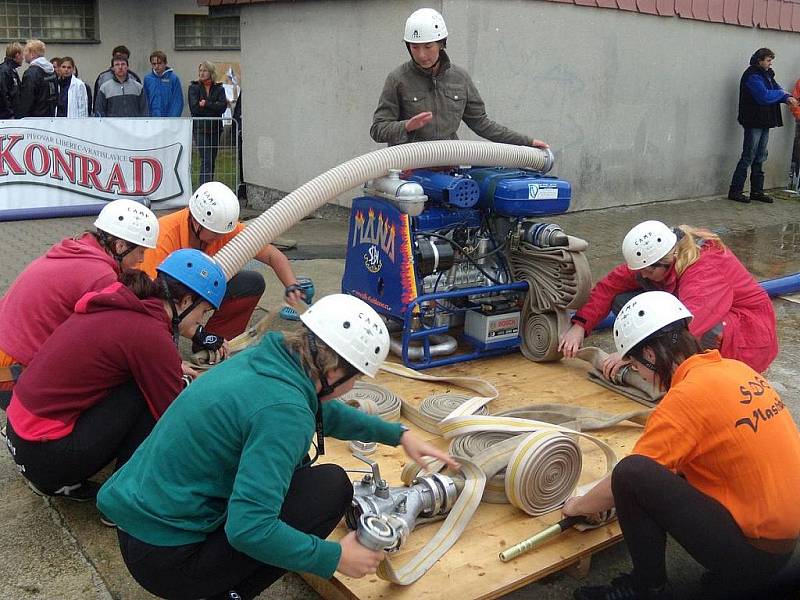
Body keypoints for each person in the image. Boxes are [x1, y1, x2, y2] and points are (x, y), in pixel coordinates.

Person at [97, 293, 459, 599]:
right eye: (357, 378)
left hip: (141, 528)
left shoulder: (268, 360)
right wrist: (332, 557)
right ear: (335, 373)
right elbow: (248, 528)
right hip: (168, 560)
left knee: (306, 475)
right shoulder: (284, 413)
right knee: (329, 489)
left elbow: (320, 412)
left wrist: (399, 435)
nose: (354, 387)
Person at [563, 291, 800, 599]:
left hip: (756, 556)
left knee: (632, 474)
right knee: (673, 466)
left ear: (649, 354)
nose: (642, 376)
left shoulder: (685, 398)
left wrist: (577, 506)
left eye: (635, 366)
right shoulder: (736, 369)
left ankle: (646, 588)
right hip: (785, 541)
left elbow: (633, 477)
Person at [4, 250, 226, 506]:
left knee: (137, 380)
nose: (201, 321)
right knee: (146, 395)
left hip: (20, 437)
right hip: (47, 457)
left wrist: (170, 367)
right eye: (204, 312)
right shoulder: (150, 334)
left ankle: (58, 479)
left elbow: (127, 345)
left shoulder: (117, 300)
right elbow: (175, 417)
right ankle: (122, 498)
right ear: (186, 301)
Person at [559, 220, 777, 374]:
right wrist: (580, 326)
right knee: (623, 301)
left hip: (748, 338)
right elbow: (609, 286)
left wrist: (631, 354)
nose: (642, 276)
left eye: (648, 271)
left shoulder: (704, 270)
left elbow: (688, 324)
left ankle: (704, 370)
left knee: (703, 334)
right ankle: (665, 362)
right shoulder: (659, 257)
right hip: (707, 317)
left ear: (668, 261)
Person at [0, 199, 159, 406]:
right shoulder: (101, 276)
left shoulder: (78, 247)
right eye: (140, 252)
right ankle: (24, 429)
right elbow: (114, 341)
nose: (141, 259)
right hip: (11, 374)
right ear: (120, 246)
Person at [140, 181, 303, 345]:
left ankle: (218, 343)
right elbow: (152, 299)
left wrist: (292, 286)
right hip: (169, 299)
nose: (219, 238)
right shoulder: (164, 236)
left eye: (222, 233)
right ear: (197, 222)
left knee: (251, 283)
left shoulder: (220, 227)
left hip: (196, 294)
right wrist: (195, 334)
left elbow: (272, 256)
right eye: (215, 234)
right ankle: (189, 339)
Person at [370, 8, 548, 148]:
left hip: (448, 165)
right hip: (409, 172)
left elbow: (482, 123)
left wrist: (527, 142)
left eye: (428, 46)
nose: (422, 55)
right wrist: (407, 126)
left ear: (441, 44)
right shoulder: (397, 79)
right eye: (415, 47)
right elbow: (378, 130)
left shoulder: (460, 78)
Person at [728, 48, 798, 204]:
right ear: (759, 60)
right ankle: (735, 190)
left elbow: (776, 89)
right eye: (768, 60)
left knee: (761, 155)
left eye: (771, 60)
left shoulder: (767, 75)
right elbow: (764, 96)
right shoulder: (753, 76)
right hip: (753, 121)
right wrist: (783, 96)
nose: (770, 63)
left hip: (764, 120)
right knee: (749, 155)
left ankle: (757, 191)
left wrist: (787, 97)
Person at [188, 61, 228, 184]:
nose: (201, 73)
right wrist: (213, 107)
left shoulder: (219, 88)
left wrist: (206, 103)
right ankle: (203, 187)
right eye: (200, 70)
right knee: (206, 158)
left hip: (215, 129)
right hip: (200, 129)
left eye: (204, 70)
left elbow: (222, 107)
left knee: (212, 158)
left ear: (211, 72)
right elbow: (194, 108)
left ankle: (209, 185)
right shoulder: (194, 87)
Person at [16, 39, 57, 118]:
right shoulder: (51, 71)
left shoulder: (31, 74)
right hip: (50, 117)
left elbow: (27, 101)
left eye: (26, 51)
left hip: (34, 120)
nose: (24, 54)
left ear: (32, 54)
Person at [143, 50, 183, 117]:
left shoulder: (173, 79)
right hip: (152, 120)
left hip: (169, 121)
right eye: (154, 64)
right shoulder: (147, 79)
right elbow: (145, 101)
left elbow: (177, 101)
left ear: (165, 63)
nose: (156, 66)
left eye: (159, 63)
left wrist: (172, 119)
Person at [0, 41, 22, 119]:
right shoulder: (4, 70)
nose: (23, 57)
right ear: (17, 55)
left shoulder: (12, 70)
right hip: (7, 117)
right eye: (22, 55)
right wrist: (11, 114)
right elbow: (4, 94)